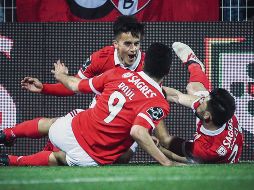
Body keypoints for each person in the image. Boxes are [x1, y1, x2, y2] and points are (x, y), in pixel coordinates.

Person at [0, 43, 176, 167]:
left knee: (52, 124)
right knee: (60, 158)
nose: (132, 48)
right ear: (168, 71)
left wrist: (61, 76)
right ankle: (10, 160)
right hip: (91, 155)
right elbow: (138, 131)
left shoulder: (117, 73)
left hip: (68, 130)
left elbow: (76, 85)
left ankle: (7, 134)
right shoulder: (159, 102)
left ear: (144, 61)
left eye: (136, 43)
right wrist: (167, 163)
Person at [1, 15, 146, 163]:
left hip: (125, 126)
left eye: (136, 43)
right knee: (55, 125)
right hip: (98, 115)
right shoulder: (101, 58)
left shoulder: (147, 66)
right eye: (127, 44)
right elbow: (73, 87)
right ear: (116, 44)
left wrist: (147, 131)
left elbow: (151, 103)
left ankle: (10, 160)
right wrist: (44, 88)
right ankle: (7, 134)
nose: (133, 49)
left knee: (123, 157)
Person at [155, 42, 244, 164]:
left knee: (169, 149)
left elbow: (165, 140)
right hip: (212, 137)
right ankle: (194, 65)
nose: (200, 99)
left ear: (207, 115)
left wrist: (151, 104)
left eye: (203, 100)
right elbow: (177, 96)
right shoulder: (224, 112)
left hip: (207, 158)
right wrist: (151, 88)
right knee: (193, 89)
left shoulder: (206, 150)